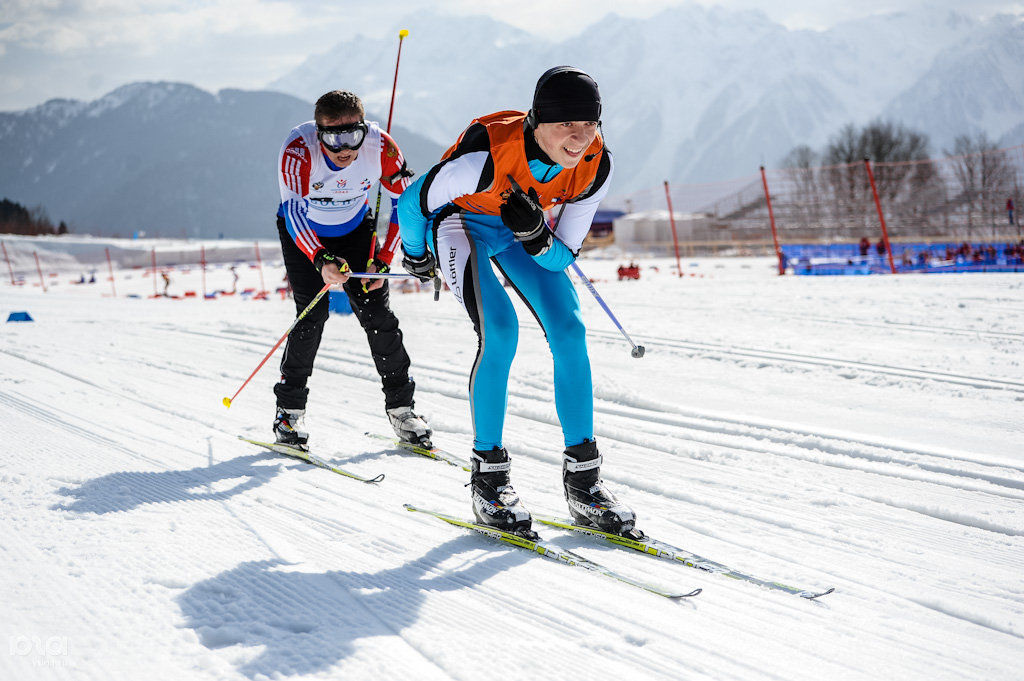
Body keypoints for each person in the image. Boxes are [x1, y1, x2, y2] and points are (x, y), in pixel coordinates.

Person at [397, 66, 634, 538]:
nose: (580, 136)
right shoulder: (482, 160)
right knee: (500, 331)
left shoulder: (596, 166)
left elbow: (560, 257)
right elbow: (411, 203)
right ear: (537, 121)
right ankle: (489, 479)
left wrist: (536, 237)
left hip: (517, 233)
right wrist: (417, 255)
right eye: (567, 123)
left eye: (590, 124)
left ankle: (584, 482)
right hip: (460, 225)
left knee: (570, 330)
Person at [273, 90, 430, 449]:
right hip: (305, 234)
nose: (344, 148)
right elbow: (295, 212)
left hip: (356, 230)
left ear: (364, 129)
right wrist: (320, 259)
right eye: (332, 138)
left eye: (353, 136)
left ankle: (402, 408)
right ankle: (288, 412)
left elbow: (404, 204)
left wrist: (384, 259)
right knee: (312, 315)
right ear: (318, 133)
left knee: (377, 314)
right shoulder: (298, 150)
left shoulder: (382, 148)